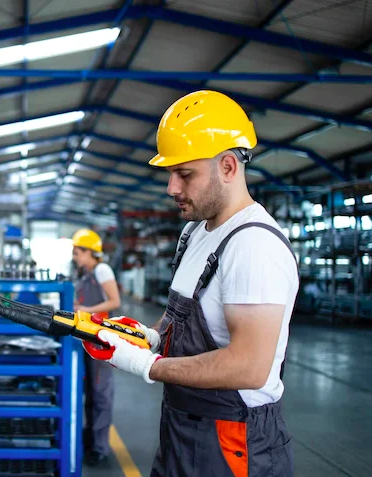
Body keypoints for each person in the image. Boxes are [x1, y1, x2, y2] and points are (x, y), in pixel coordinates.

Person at [86, 90, 299, 477]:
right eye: (170, 174)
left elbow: (250, 367)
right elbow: (179, 319)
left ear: (229, 167)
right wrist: (149, 337)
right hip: (182, 426)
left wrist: (148, 365)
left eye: (184, 174)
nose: (171, 188)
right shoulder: (196, 233)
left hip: (233, 441)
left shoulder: (253, 246)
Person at [71, 228, 121, 467]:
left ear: (91, 252)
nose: (75, 257)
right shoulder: (85, 273)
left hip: (100, 338)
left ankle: (100, 446)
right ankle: (90, 438)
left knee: (100, 392)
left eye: (78, 252)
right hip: (86, 336)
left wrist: (83, 310)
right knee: (89, 390)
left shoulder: (102, 270)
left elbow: (114, 301)